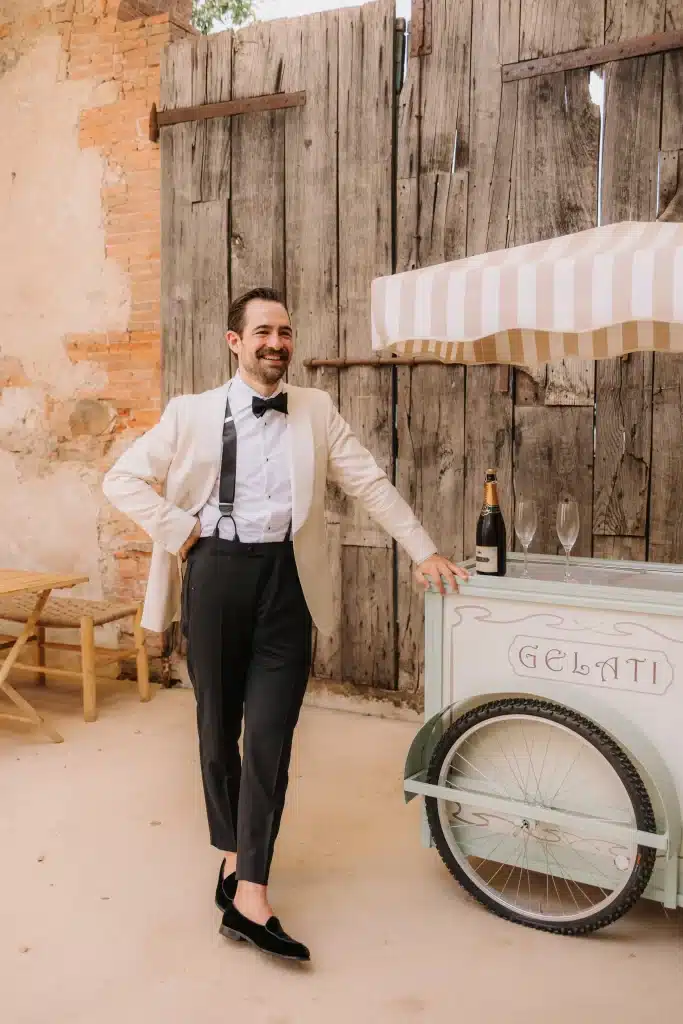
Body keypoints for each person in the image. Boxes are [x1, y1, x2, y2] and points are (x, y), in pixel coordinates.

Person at [102, 287, 467, 963]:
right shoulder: (191, 413)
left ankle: (251, 893)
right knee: (218, 729)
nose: (277, 342)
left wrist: (423, 550)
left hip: (286, 583)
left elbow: (369, 481)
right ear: (235, 342)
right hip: (215, 573)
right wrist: (181, 530)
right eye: (263, 331)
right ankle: (232, 851)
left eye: (285, 332)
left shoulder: (316, 409)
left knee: (270, 736)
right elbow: (120, 479)